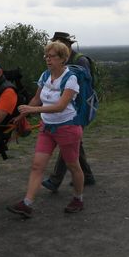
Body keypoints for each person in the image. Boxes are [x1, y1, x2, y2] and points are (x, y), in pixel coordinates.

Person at [7, 41, 86, 218]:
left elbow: (60, 106)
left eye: (52, 56)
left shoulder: (70, 79)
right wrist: (23, 114)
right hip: (47, 127)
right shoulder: (44, 75)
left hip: (67, 127)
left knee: (73, 166)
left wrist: (33, 110)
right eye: (46, 56)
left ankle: (78, 199)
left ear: (63, 59)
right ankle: (26, 204)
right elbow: (36, 99)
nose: (47, 59)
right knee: (37, 166)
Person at [41, 31, 95, 192]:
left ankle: (55, 180)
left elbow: (84, 87)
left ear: (67, 44)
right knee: (74, 143)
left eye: (58, 43)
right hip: (69, 107)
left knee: (68, 141)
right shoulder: (62, 60)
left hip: (79, 108)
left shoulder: (80, 60)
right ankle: (88, 176)